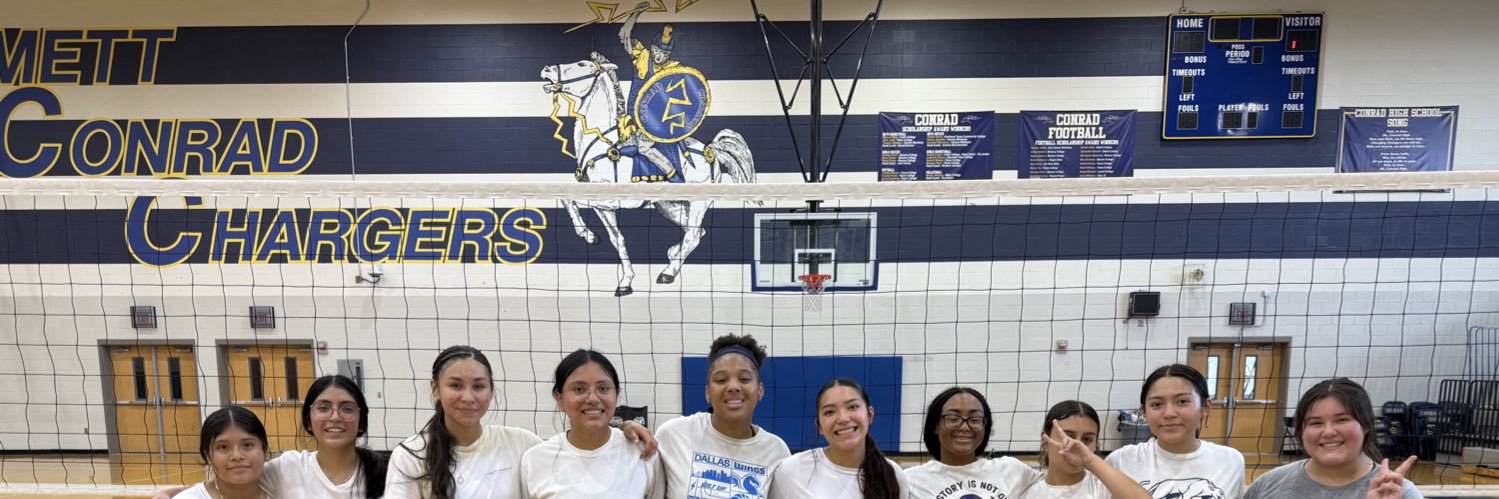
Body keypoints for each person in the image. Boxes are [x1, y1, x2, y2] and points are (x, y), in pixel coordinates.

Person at [387, 345, 658, 498]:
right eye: (455, 386)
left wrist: (623, 427)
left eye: (479, 386)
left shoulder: (521, 445)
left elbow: (582, 445)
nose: (468, 397)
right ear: (435, 388)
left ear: (491, 390)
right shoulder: (411, 455)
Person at [653, 334, 789, 499]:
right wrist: (627, 427)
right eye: (721, 380)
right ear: (707, 392)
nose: (733, 387)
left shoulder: (776, 451)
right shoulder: (673, 434)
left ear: (760, 390)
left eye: (744, 379)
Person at [1244, 378, 1421, 499]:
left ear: (1366, 425)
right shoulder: (1269, 484)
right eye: (1315, 423)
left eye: (1342, 420)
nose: (1328, 432)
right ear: (1301, 430)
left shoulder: (1398, 493)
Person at [521, 349, 657, 497]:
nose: (593, 398)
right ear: (559, 398)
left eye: (603, 388)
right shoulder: (535, 459)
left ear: (616, 394)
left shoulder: (644, 452)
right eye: (579, 389)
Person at [1105, 364, 1245, 499]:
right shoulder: (1121, 461)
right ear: (1145, 413)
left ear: (1205, 408)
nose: (1169, 413)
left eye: (1182, 401)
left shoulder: (1231, 461)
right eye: (1157, 404)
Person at [767, 378, 907, 499]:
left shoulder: (892, 474)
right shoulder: (791, 470)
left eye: (852, 407)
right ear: (820, 426)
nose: (843, 418)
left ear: (869, 415)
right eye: (830, 412)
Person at [906, 387, 1038, 497]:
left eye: (975, 419)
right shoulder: (910, 480)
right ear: (935, 425)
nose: (964, 427)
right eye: (953, 418)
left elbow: (1054, 488)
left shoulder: (1012, 470)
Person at [1020, 400, 1150, 499]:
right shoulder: (1025, 489)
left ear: (1096, 444)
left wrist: (1090, 461)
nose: (1076, 445)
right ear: (1045, 440)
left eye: (1087, 439)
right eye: (1067, 436)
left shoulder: (1106, 488)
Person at [177, 406, 271, 499]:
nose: (236, 456)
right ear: (208, 456)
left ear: (265, 450)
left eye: (247, 445)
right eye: (223, 447)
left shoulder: (280, 489)